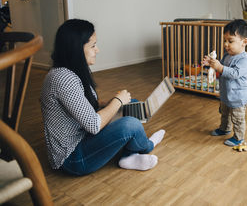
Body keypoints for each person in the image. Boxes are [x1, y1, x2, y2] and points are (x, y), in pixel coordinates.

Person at [40, 19, 165, 176]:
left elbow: (81, 104)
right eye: (93, 46)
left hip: (84, 135)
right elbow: (93, 124)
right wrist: (117, 101)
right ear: (76, 49)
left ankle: (128, 157)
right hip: (73, 159)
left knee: (130, 105)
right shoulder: (62, 78)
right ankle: (147, 146)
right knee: (130, 124)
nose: (97, 50)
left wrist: (108, 103)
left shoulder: (72, 71)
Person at [202, 19, 247, 147]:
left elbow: (234, 73)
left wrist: (220, 67)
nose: (226, 44)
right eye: (225, 40)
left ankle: (239, 137)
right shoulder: (227, 55)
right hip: (226, 94)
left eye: (230, 41)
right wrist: (212, 63)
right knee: (224, 114)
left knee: (237, 119)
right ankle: (224, 128)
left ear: (244, 42)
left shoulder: (244, 59)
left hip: (238, 97)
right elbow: (221, 68)